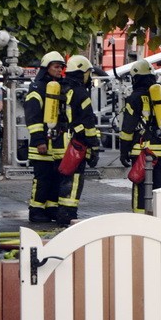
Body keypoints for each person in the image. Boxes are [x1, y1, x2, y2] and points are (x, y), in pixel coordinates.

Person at [118, 59, 161, 213]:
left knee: (140, 189)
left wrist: (123, 150)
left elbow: (128, 127)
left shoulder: (134, 98)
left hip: (142, 152)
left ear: (135, 78)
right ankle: (160, 219)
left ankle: (140, 220)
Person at [57, 55, 101, 225]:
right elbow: (87, 122)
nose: (89, 77)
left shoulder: (61, 88)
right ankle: (68, 214)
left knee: (61, 178)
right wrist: (93, 146)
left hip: (58, 141)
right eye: (88, 73)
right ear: (82, 73)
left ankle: (60, 212)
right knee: (74, 180)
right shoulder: (81, 93)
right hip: (74, 143)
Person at [23, 51, 66, 223]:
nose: (59, 70)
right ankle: (36, 210)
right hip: (40, 143)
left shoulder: (60, 86)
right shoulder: (37, 88)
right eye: (56, 66)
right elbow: (32, 117)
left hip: (56, 142)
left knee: (56, 178)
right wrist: (39, 140)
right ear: (46, 68)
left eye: (61, 67)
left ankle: (51, 209)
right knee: (42, 179)